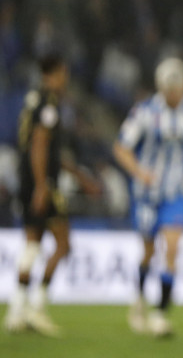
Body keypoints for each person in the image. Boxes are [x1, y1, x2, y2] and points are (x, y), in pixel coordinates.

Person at [3, 54, 99, 336]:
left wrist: (80, 175)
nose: (65, 80)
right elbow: (40, 145)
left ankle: (16, 312)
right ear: (55, 74)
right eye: (64, 74)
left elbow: (49, 150)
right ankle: (36, 306)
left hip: (26, 179)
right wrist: (43, 185)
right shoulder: (48, 104)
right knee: (63, 243)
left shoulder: (33, 99)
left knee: (32, 244)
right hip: (42, 182)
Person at [112, 57, 183, 337]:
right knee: (149, 252)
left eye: (179, 87)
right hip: (147, 194)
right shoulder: (144, 112)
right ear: (162, 88)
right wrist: (139, 172)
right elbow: (121, 147)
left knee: (173, 249)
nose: (176, 93)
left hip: (177, 192)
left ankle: (160, 314)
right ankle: (139, 299)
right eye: (171, 88)